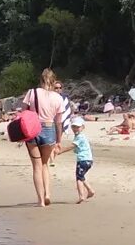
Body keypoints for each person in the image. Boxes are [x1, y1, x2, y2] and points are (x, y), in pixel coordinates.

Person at [19, 68, 69, 207]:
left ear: (41, 80)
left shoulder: (32, 92)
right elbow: (59, 122)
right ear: (53, 82)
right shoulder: (58, 98)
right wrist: (59, 140)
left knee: (36, 166)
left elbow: (23, 113)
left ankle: (40, 200)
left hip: (32, 130)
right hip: (49, 129)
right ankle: (47, 193)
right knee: (45, 164)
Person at [70, 118, 96, 202]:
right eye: (73, 127)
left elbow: (72, 146)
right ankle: (90, 190)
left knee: (78, 178)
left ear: (82, 127)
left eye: (77, 127)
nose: (75, 129)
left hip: (83, 160)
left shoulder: (80, 137)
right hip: (88, 160)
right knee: (81, 176)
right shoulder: (78, 136)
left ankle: (81, 196)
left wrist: (60, 151)